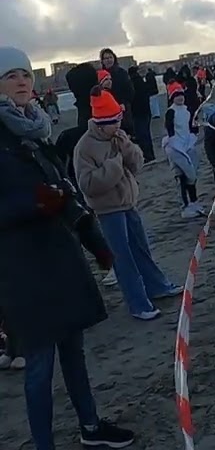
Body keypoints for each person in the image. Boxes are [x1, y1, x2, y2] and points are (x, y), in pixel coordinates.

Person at [0, 46, 138, 449]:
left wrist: (96, 244)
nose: (22, 81)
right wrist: (33, 204)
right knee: (40, 366)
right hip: (22, 269)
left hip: (61, 258)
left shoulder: (36, 130)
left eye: (25, 74)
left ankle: (90, 426)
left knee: (74, 352)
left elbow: (66, 193)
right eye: (10, 76)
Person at [74, 88, 182, 320]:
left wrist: (128, 149)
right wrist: (115, 163)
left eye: (119, 120)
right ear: (101, 123)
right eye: (114, 122)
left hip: (128, 203)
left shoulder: (119, 137)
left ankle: (157, 286)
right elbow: (88, 184)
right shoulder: (85, 147)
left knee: (141, 249)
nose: (118, 125)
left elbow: (136, 166)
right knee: (122, 257)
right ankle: (138, 303)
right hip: (108, 210)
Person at [163, 82, 204, 219]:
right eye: (176, 95)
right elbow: (170, 130)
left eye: (181, 95)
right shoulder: (171, 112)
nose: (180, 98)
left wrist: (193, 137)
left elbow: (194, 126)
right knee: (181, 177)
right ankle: (185, 206)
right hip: (176, 148)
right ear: (172, 98)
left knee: (192, 176)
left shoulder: (188, 110)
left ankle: (194, 202)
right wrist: (175, 144)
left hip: (188, 145)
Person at [124, 66, 156, 163]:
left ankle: (147, 155)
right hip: (146, 110)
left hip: (137, 112)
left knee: (141, 135)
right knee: (146, 134)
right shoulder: (142, 82)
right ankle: (151, 154)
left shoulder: (131, 84)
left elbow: (130, 98)